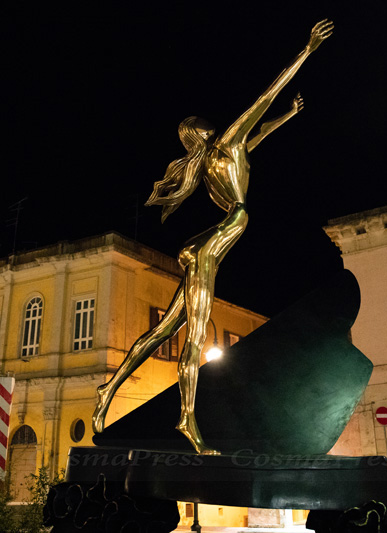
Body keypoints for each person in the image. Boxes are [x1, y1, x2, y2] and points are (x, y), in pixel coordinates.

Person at [92, 20, 334, 455]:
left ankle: (106, 392)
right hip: (218, 236)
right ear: (208, 131)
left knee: (163, 329)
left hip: (203, 244)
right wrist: (308, 49)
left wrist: (289, 117)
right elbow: (265, 95)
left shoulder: (214, 159)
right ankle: (187, 421)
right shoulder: (227, 143)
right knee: (194, 335)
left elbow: (257, 134)